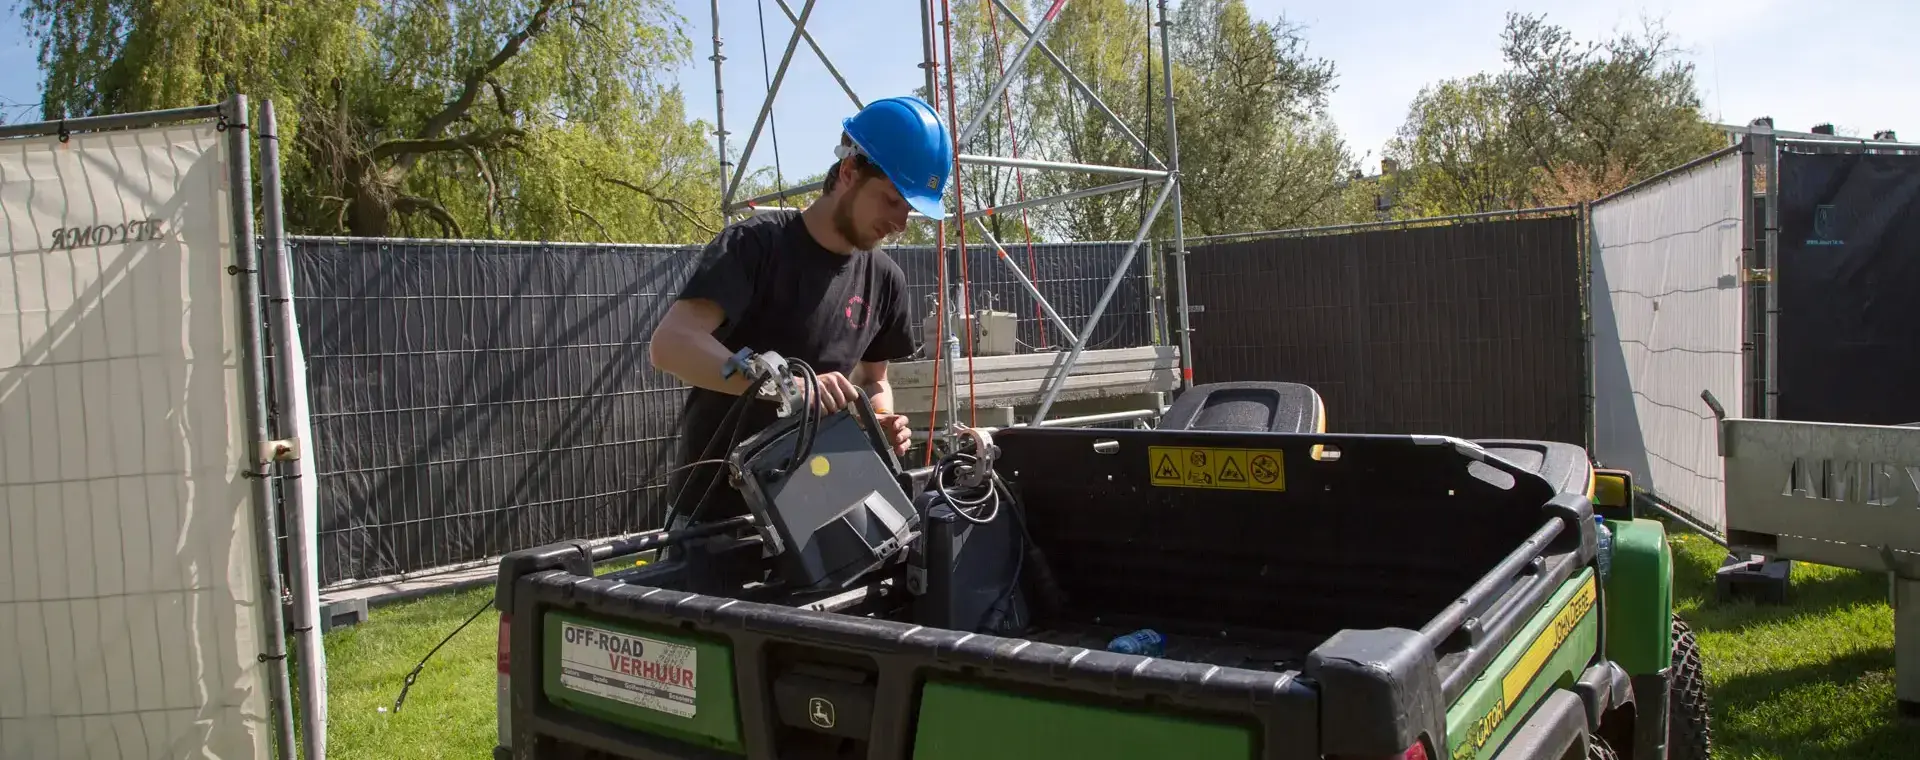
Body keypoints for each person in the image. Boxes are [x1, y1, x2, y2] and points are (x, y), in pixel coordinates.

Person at [648, 94, 953, 530]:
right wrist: (791, 388)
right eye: (892, 200)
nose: (901, 222)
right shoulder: (754, 247)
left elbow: (874, 379)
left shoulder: (886, 280)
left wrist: (878, 421)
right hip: (715, 520)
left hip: (820, 516)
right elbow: (671, 345)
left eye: (911, 209)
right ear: (849, 173)